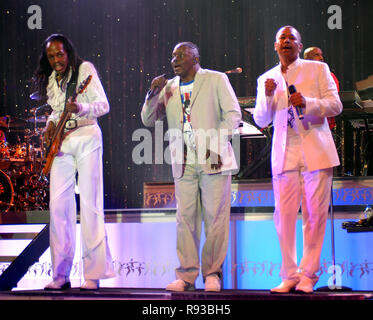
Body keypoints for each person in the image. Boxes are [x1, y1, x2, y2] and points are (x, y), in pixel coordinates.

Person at [141, 42, 241, 292]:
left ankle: (212, 274)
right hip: (183, 160)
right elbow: (148, 119)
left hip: (213, 157)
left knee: (215, 219)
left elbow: (233, 114)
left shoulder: (216, 79)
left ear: (195, 57)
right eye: (172, 56)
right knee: (185, 219)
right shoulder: (169, 88)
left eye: (180, 55)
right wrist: (152, 93)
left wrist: (216, 145)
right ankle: (186, 276)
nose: (174, 60)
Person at [253, 26, 342, 293]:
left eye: (292, 38)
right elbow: (261, 119)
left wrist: (308, 102)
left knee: (315, 216)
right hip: (284, 154)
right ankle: (289, 275)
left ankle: (308, 276)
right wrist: (267, 96)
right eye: (282, 38)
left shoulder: (318, 69)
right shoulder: (266, 78)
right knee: (284, 217)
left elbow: (335, 105)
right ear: (275, 46)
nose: (287, 41)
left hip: (315, 149)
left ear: (299, 46)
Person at [32, 34, 115, 290]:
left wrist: (81, 108)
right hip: (62, 142)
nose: (56, 60)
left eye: (59, 54)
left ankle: (93, 274)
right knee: (58, 207)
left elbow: (104, 105)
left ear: (68, 52)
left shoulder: (84, 69)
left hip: (87, 134)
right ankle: (60, 274)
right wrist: (49, 125)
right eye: (51, 56)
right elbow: (56, 111)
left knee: (90, 204)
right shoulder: (52, 80)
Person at [304, 46, 339, 129]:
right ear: (307, 59)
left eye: (321, 55)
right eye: (316, 55)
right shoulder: (301, 77)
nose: (321, 58)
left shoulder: (330, 76)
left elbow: (332, 100)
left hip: (324, 124)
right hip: (305, 123)